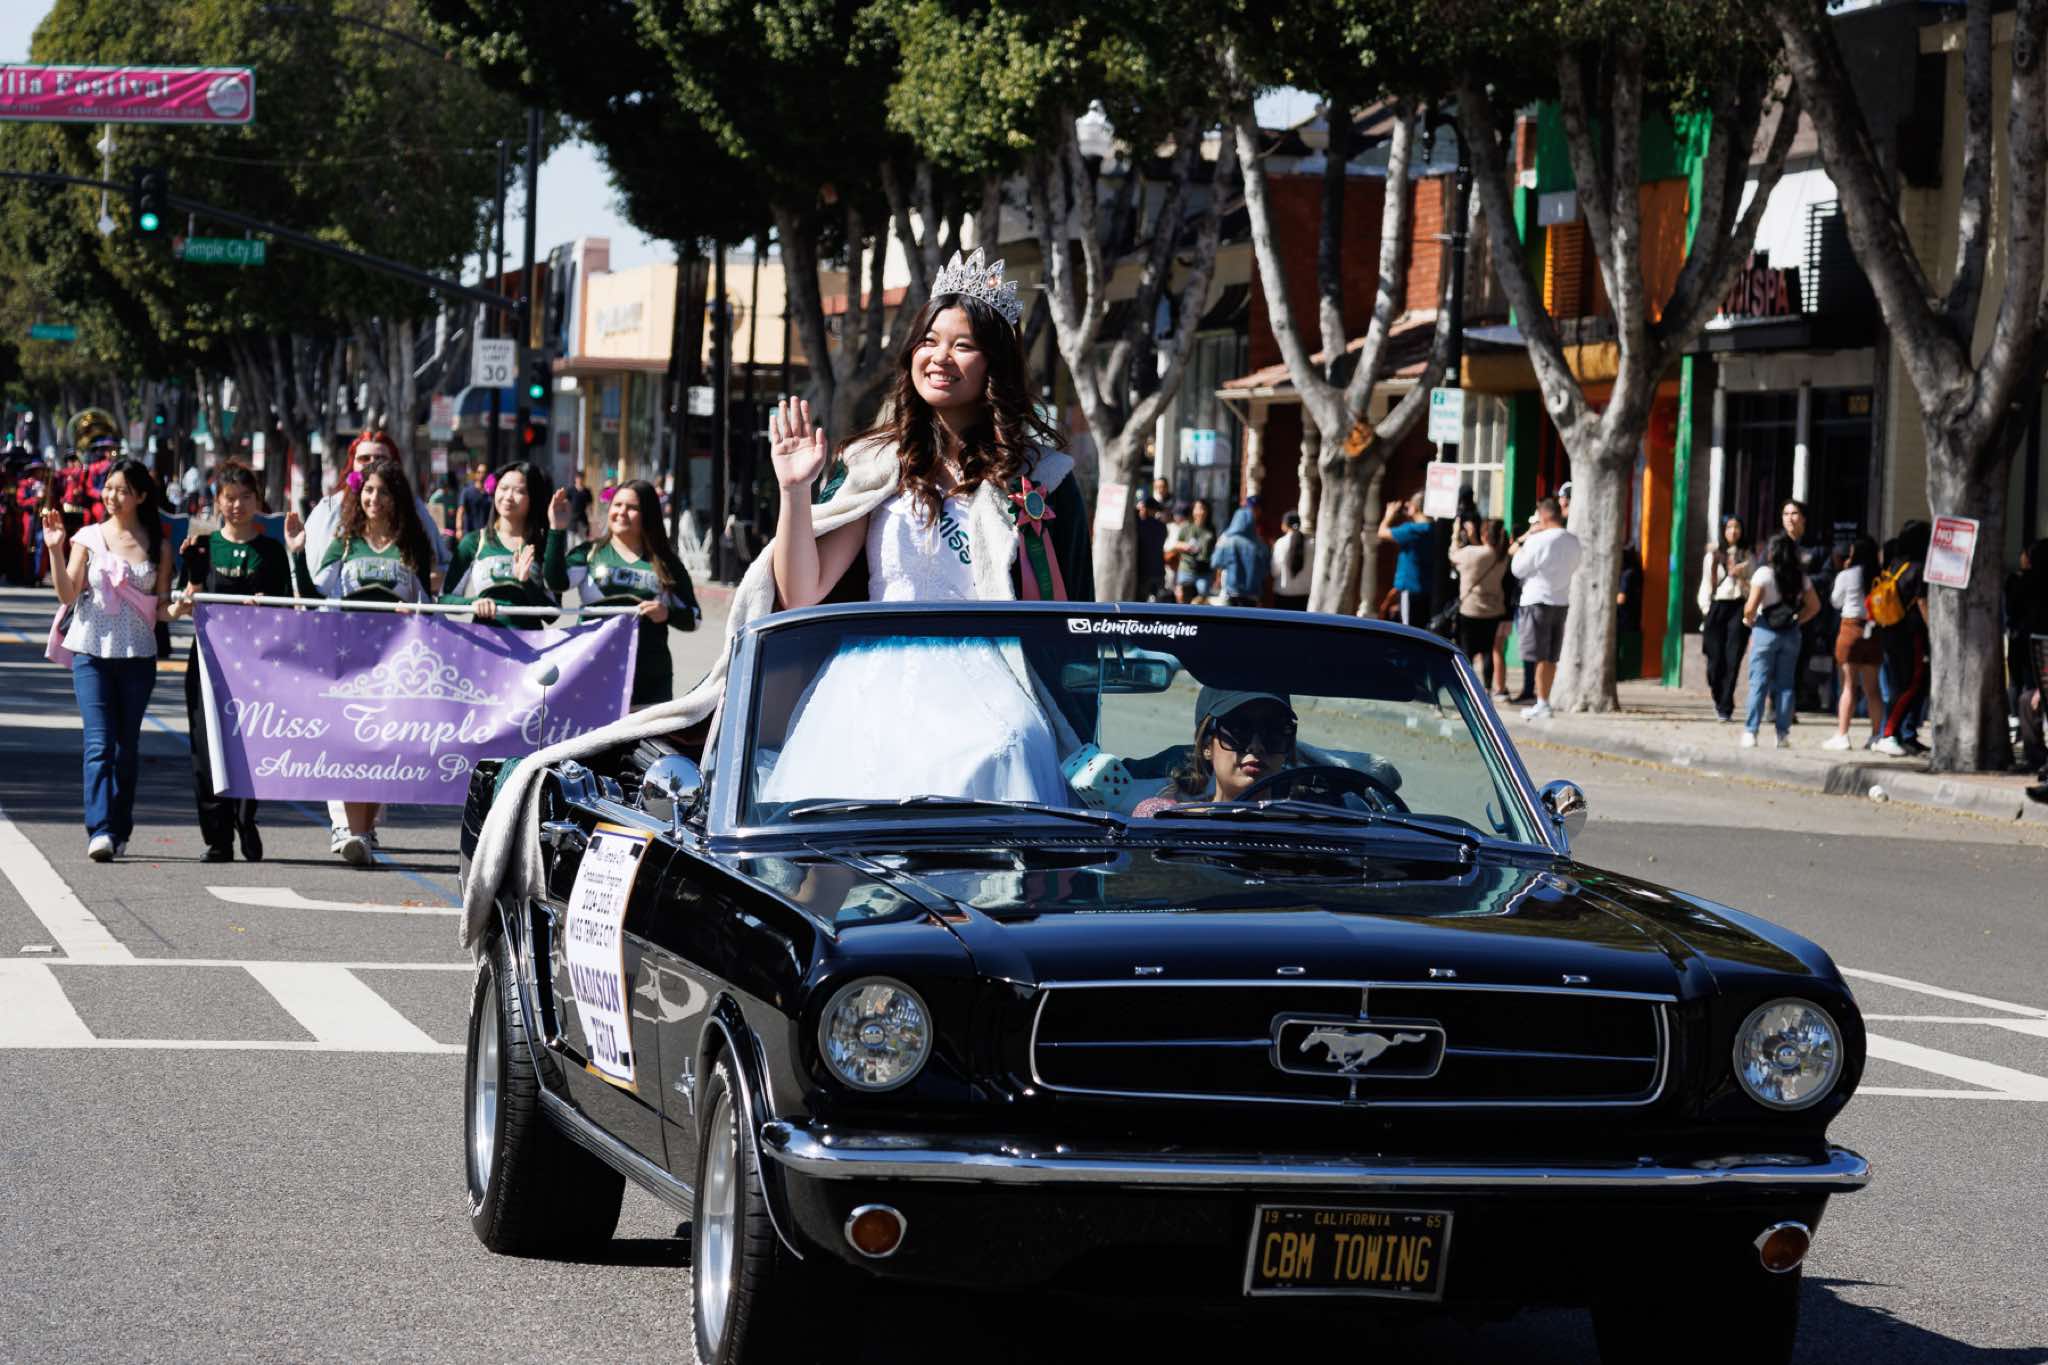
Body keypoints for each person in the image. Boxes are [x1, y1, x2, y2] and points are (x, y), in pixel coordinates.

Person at [286, 457, 438, 866]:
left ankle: (364, 831)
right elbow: (315, 597)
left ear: (397, 498)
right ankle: (355, 833)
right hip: (350, 658)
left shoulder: (412, 545)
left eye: (383, 491)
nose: (374, 498)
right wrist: (298, 554)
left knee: (382, 747)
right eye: (368, 490)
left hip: (397, 662)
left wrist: (417, 614)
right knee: (355, 743)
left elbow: (430, 604)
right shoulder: (345, 541)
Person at [41, 460, 174, 861]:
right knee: (98, 744)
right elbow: (67, 594)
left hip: (138, 656)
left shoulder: (158, 546)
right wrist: (55, 549)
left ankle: (119, 826)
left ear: (141, 496)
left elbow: (162, 607)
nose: (112, 496)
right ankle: (99, 830)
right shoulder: (88, 537)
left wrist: (180, 608)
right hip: (91, 654)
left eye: (122, 490)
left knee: (125, 748)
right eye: (109, 487)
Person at [164, 464, 291, 861]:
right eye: (230, 498)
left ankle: (245, 817)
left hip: (255, 665)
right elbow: (185, 600)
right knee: (205, 748)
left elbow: (289, 610)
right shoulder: (203, 546)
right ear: (217, 501)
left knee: (251, 743)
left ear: (258, 500)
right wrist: (189, 588)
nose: (237, 505)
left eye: (246, 497)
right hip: (209, 661)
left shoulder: (272, 551)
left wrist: (267, 605)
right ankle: (217, 838)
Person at [567, 478, 701, 708]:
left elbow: (694, 618)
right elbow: (554, 584)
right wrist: (556, 529)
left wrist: (667, 614)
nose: (622, 512)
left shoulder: (666, 562)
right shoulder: (589, 553)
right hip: (593, 673)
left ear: (648, 514)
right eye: (617, 505)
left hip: (649, 682)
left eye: (632, 508)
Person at [442, 460, 572, 629]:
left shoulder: (542, 545)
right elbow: (445, 599)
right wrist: (473, 603)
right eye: (503, 488)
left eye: (519, 491)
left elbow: (552, 615)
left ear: (533, 497)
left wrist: (526, 582)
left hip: (530, 643)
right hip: (485, 642)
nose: (508, 496)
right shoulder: (474, 542)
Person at [1132, 689, 1297, 815]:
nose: (1256, 746)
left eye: (1274, 730)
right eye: (1238, 729)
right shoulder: (1163, 819)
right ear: (1206, 746)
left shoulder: (1309, 827)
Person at [1741, 533, 1822, 749]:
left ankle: (1751, 732)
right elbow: (1815, 606)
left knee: (1759, 683)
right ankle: (1782, 734)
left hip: (1765, 631)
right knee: (1786, 686)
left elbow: (1750, 608)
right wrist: (1797, 619)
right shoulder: (1801, 578)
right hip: (1791, 633)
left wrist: (1750, 620)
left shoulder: (1763, 574)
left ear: (1772, 553)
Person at [1508, 496, 1582, 720]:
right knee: (1550, 656)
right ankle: (1543, 701)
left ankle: (1541, 702)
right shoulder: (1573, 540)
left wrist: (1522, 544)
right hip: (1560, 600)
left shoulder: (1538, 540)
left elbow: (1517, 569)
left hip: (1537, 599)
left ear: (1545, 515)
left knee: (1539, 655)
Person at [1872, 520, 1931, 756]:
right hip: (1910, 634)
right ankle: (1889, 734)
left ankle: (1897, 734)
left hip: (1889, 631)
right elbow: (1922, 603)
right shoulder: (1918, 568)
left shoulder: (1895, 565)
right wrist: (1934, 631)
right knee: (1912, 685)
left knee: (1898, 685)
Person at [1823, 534, 1884, 752]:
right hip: (1874, 630)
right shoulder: (1880, 577)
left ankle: (1842, 734)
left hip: (1850, 628)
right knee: (1873, 688)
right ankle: (1876, 735)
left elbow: (1835, 601)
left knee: (1848, 685)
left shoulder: (1846, 575)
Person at [1697, 514, 1754, 722]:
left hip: (1738, 607)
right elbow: (1706, 583)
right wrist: (1706, 609)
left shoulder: (1748, 555)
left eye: (1737, 527)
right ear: (1723, 530)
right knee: (1714, 660)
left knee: (1733, 658)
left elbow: (1754, 585)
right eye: (1729, 527)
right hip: (1716, 607)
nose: (1733, 531)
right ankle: (1717, 695)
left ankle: (1725, 706)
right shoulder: (1713, 556)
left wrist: (1740, 577)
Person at [1450, 516, 1510, 688]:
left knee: (1467, 651)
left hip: (1470, 609)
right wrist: (1476, 539)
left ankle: (1465, 686)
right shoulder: (1502, 556)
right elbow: (1485, 553)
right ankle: (1488, 687)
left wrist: (1456, 532)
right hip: (1493, 611)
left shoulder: (1470, 552)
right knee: (1488, 651)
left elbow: (1453, 555)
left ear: (1484, 535)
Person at [1376, 492, 1433, 625]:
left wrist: (1388, 516)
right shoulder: (1434, 529)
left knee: (1409, 629)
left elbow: (1382, 533)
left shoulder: (1411, 530)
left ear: (1415, 507)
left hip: (1410, 588)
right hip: (1429, 590)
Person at [1209, 504, 1270, 606]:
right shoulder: (1260, 544)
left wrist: (1219, 544)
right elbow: (1265, 571)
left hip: (1233, 593)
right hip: (1253, 595)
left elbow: (1215, 562)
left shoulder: (1229, 541)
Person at [1167, 499, 1215, 604]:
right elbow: (1176, 544)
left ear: (1207, 511)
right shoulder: (1186, 527)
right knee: (1184, 600)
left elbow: (1213, 549)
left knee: (1201, 601)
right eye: (1196, 508)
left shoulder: (1211, 529)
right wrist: (1185, 546)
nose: (1199, 512)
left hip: (1204, 571)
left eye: (1202, 509)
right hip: (1187, 569)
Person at [1272, 511, 1313, 610]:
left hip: (1284, 594)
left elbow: (1274, 571)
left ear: (1285, 525)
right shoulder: (1312, 544)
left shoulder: (1280, 543)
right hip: (1304, 595)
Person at [1133, 495, 1168, 602]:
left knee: (1140, 603)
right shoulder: (1162, 527)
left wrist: (1137, 511)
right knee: (1158, 603)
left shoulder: (1139, 525)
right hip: (1158, 571)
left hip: (1143, 572)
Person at [457, 458, 493, 539]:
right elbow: (460, 510)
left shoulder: (490, 493)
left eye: (484, 472)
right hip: (469, 533)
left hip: (486, 534)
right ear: (476, 474)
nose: (481, 475)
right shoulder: (467, 491)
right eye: (479, 472)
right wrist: (459, 529)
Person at [567, 470, 596, 545]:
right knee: (570, 544)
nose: (580, 480)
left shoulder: (587, 492)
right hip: (572, 521)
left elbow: (590, 506)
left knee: (581, 543)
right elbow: (566, 504)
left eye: (582, 478)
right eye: (578, 478)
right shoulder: (570, 491)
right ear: (575, 479)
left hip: (582, 521)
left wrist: (591, 519)